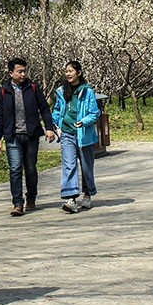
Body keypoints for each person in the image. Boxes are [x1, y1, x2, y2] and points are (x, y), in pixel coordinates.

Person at [0, 58, 57, 216]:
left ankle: (31, 197)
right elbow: (0, 115)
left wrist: (49, 128)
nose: (23, 74)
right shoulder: (4, 90)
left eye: (24, 71)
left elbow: (44, 108)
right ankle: (17, 203)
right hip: (13, 136)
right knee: (15, 169)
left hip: (31, 135)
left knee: (30, 168)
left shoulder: (33, 87)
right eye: (19, 71)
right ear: (11, 73)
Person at [51, 61, 101, 214]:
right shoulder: (61, 91)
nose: (68, 74)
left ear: (78, 73)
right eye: (66, 71)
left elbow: (94, 113)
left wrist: (83, 122)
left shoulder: (87, 92)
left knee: (86, 166)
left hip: (84, 135)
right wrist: (55, 123)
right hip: (66, 133)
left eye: (71, 71)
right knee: (69, 165)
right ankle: (71, 198)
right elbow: (57, 110)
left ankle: (87, 194)